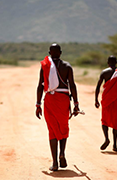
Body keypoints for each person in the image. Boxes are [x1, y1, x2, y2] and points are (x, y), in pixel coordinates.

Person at [36, 43, 80, 171]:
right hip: (63, 99)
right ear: (60, 52)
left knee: (52, 130)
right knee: (63, 127)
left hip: (50, 99)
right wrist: (76, 104)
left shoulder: (45, 66)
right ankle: (62, 153)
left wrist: (38, 104)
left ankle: (55, 162)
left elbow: (40, 86)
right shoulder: (67, 66)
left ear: (50, 53)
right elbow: (72, 85)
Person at [95, 55, 117, 152]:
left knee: (104, 120)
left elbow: (98, 86)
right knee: (116, 121)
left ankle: (106, 139)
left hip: (106, 100)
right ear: (116, 62)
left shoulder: (104, 72)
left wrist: (96, 99)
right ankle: (115, 145)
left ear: (108, 62)